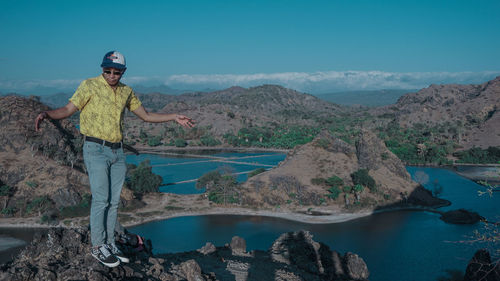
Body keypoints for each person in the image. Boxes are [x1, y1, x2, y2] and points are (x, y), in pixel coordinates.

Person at [34, 51, 195, 267]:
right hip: (95, 148)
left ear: (123, 72)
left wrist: (174, 116)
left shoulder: (127, 91)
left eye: (116, 72)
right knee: (101, 199)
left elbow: (146, 116)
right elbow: (68, 109)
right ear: (102, 69)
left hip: (117, 152)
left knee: (114, 201)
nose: (111, 75)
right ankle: (97, 246)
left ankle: (110, 243)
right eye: (107, 70)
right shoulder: (89, 85)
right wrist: (47, 114)